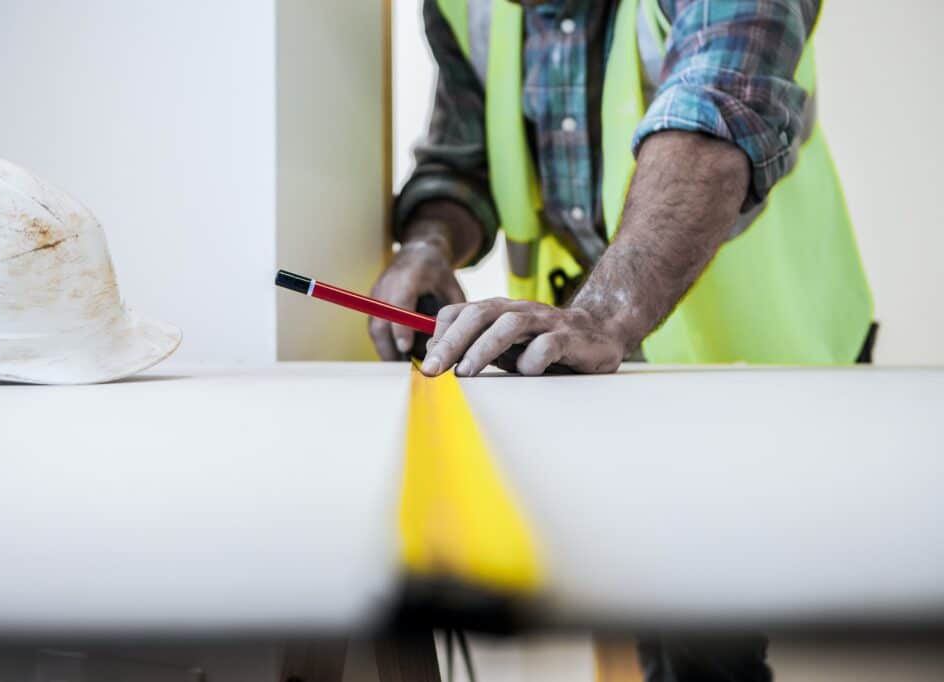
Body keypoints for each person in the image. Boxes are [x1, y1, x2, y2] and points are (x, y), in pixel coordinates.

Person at [369, 0, 875, 680]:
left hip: (767, 358)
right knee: (662, 622)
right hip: (616, 370)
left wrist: (605, 313)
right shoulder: (464, 8)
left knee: (706, 646)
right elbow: (463, 160)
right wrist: (429, 241)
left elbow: (716, 109)